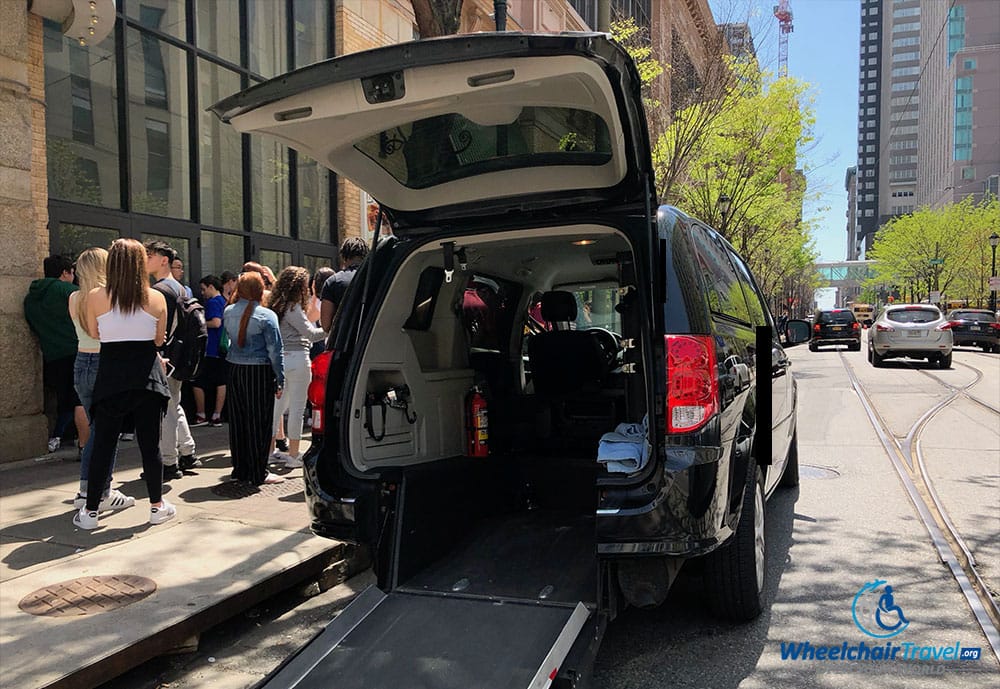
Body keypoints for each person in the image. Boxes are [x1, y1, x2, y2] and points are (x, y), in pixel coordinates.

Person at [74, 238, 175, 529]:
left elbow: (95, 332)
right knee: (149, 446)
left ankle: (90, 512)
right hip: (146, 377)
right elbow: (159, 339)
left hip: (111, 377)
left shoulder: (95, 296)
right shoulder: (156, 298)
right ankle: (157, 506)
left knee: (103, 444)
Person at [69, 248, 132, 511]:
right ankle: (98, 490)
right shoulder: (109, 297)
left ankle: (90, 488)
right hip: (105, 363)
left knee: (98, 429)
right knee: (106, 431)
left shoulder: (74, 298)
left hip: (81, 361)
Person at [224, 272, 285, 486]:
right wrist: (280, 378)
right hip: (259, 371)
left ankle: (240, 468)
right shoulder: (267, 316)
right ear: (261, 290)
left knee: (238, 420)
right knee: (259, 421)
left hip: (234, 368)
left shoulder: (228, 311)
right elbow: (275, 351)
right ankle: (259, 472)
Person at [24, 254, 89, 454]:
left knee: (64, 399)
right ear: (65, 272)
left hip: (52, 354)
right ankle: (84, 445)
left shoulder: (31, 298)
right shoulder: (69, 291)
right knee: (80, 398)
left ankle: (57, 437)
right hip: (77, 349)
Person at [146, 240, 195, 480]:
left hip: (164, 357)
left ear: (163, 260)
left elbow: (157, 329)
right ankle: (187, 451)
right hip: (179, 356)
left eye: (149, 255)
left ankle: (168, 462)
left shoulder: (160, 291)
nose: (145, 260)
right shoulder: (181, 288)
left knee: (165, 410)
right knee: (174, 404)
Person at [268, 267, 326, 467]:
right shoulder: (293, 308)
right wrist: (331, 327)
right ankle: (293, 455)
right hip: (298, 359)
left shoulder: (275, 306)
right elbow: (311, 334)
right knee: (297, 409)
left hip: (280, 361)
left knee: (276, 408)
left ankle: (268, 452)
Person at [192, 275, 228, 428]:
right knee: (221, 381)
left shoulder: (212, 302)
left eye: (203, 289)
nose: (202, 293)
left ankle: (201, 414)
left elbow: (216, 322)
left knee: (197, 381)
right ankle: (217, 414)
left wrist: (198, 324)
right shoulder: (225, 301)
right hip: (223, 348)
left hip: (211, 348)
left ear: (211, 287)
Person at [320, 237, 369, 331]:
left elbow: (326, 325)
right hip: (373, 339)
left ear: (343, 257)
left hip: (344, 341)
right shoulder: (377, 278)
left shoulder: (333, 282)